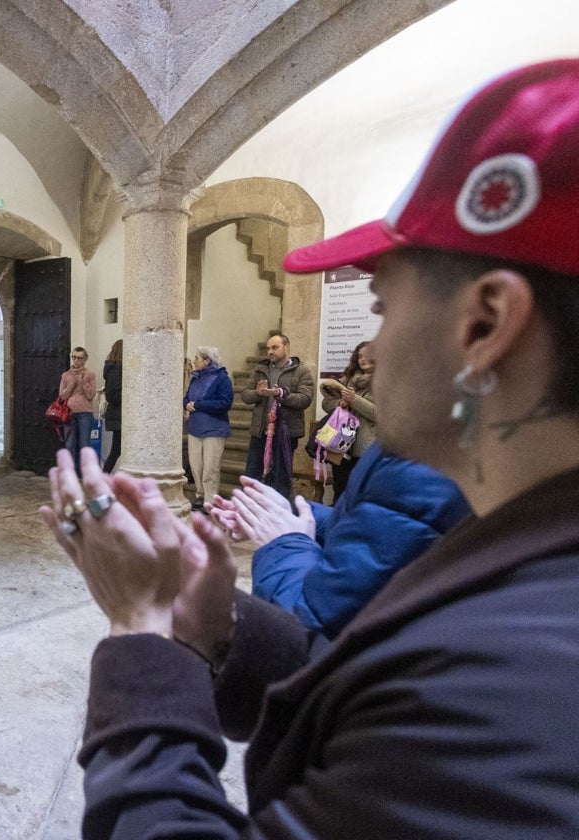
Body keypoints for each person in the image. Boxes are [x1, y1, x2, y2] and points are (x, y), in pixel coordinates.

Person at [41, 60, 579, 838]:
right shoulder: (517, 544)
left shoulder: (517, 684)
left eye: (384, 307)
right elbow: (367, 700)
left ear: (487, 324)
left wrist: (141, 629)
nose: (373, 348)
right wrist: (218, 624)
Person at [209, 444, 469, 637]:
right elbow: (368, 524)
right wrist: (289, 515)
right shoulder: (424, 450)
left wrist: (286, 543)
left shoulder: (424, 470)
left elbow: (310, 628)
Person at [240, 333, 313, 500]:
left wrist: (281, 394)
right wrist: (258, 393)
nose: (270, 352)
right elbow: (245, 395)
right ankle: (252, 515)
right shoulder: (260, 370)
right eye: (268, 348)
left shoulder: (301, 371)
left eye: (275, 347)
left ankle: (280, 517)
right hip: (261, 432)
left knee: (281, 477)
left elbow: (305, 399)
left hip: (285, 433)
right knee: (252, 475)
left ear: (287, 347)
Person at [317, 340, 376, 495]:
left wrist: (354, 400)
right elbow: (327, 404)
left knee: (361, 495)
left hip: (367, 450)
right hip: (341, 447)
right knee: (340, 491)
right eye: (359, 356)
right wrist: (341, 403)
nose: (362, 359)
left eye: (367, 355)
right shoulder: (349, 378)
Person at [182, 346, 234, 511]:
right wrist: (187, 404)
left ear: (207, 361)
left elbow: (225, 403)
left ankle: (211, 500)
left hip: (214, 429)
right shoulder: (195, 378)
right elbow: (186, 398)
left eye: (197, 358)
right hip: (195, 428)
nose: (195, 360)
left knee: (210, 466)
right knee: (196, 465)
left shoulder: (222, 378)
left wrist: (198, 405)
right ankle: (200, 495)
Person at [58, 346, 97, 477]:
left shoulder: (90, 374)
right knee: (70, 445)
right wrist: (72, 384)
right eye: (74, 357)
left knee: (84, 445)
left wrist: (84, 381)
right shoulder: (66, 375)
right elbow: (62, 396)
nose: (76, 360)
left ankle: (83, 474)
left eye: (79, 358)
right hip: (68, 414)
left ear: (85, 359)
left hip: (85, 414)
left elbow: (91, 395)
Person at [101, 340, 123, 473]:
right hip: (118, 415)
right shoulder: (114, 369)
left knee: (116, 451)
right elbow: (111, 395)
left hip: (120, 416)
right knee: (116, 452)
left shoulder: (118, 368)